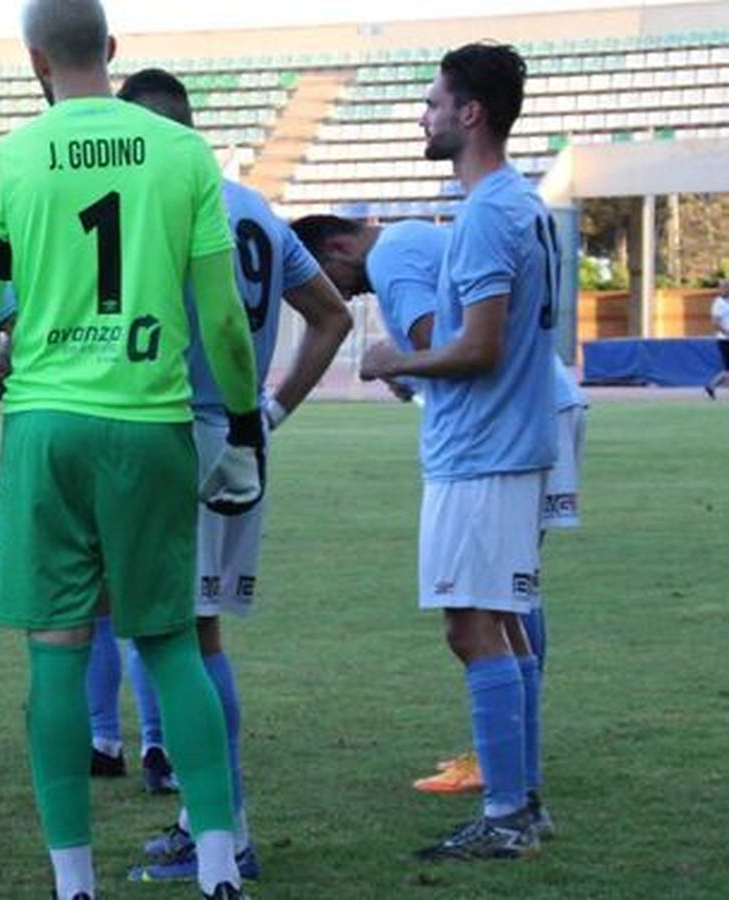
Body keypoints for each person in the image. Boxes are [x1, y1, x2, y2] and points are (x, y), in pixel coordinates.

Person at [0, 3, 265, 897]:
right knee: (168, 643)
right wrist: (242, 429)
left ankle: (74, 883)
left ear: (34, 60)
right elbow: (225, 324)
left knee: (55, 651)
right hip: (152, 420)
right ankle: (216, 867)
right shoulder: (180, 151)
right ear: (112, 53)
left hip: (47, 426)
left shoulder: (6, 161)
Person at [86, 68, 351, 885]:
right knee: (195, 636)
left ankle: (227, 832)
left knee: (186, 642)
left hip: (177, 439)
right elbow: (331, 314)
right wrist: (271, 412)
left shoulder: (160, 203)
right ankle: (205, 818)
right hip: (239, 439)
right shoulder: (257, 210)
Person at [294, 214, 586, 803]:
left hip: (510, 424)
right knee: (508, 595)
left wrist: (392, 359)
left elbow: (439, 346)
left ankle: (509, 776)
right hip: (543, 402)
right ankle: (513, 765)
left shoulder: (393, 258)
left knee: (491, 603)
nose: (332, 292)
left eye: (323, 274)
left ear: (338, 245)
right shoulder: (415, 238)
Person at [357, 42, 556, 861]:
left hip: (480, 452)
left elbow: (477, 347)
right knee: (501, 626)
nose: (424, 115)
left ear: (470, 114)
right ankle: (524, 804)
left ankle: (507, 815)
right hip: (509, 444)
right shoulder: (523, 205)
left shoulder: (483, 215)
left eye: (435, 102)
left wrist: (394, 360)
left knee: (471, 629)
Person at [707, 279, 729, 399]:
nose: (726, 289)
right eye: (724, 287)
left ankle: (711, 385)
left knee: (727, 370)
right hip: (725, 340)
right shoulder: (718, 303)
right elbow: (715, 323)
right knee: (727, 370)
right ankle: (711, 385)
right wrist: (726, 333)